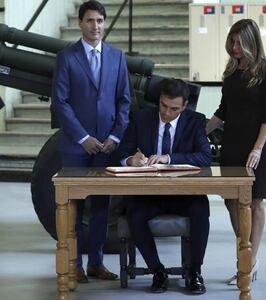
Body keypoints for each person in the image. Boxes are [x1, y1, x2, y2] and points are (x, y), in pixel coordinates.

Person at [52, 0, 130, 283]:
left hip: (106, 147)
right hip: (76, 146)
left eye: (99, 21)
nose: (95, 26)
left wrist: (114, 136)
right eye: (89, 21)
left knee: (100, 206)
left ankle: (96, 263)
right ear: (80, 23)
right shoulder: (66, 57)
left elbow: (124, 101)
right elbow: (60, 103)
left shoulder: (117, 57)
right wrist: (83, 137)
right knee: (73, 208)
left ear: (104, 23)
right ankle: (74, 266)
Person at [117, 78, 211, 294]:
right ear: (159, 100)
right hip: (149, 194)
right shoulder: (141, 118)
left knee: (200, 212)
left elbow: (205, 157)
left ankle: (194, 272)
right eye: (163, 106)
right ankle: (157, 271)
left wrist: (169, 158)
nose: (167, 113)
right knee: (135, 214)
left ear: (185, 106)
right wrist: (131, 160)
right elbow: (122, 151)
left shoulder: (195, 121)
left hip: (183, 195)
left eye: (174, 109)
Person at [206, 19, 266, 285]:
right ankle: (244, 246)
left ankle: (249, 260)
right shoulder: (231, 73)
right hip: (232, 145)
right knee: (231, 201)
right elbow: (223, 110)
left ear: (251, 42)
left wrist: (258, 149)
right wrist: (197, 132)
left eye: (239, 42)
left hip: (254, 146)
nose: (234, 47)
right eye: (232, 42)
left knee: (255, 202)